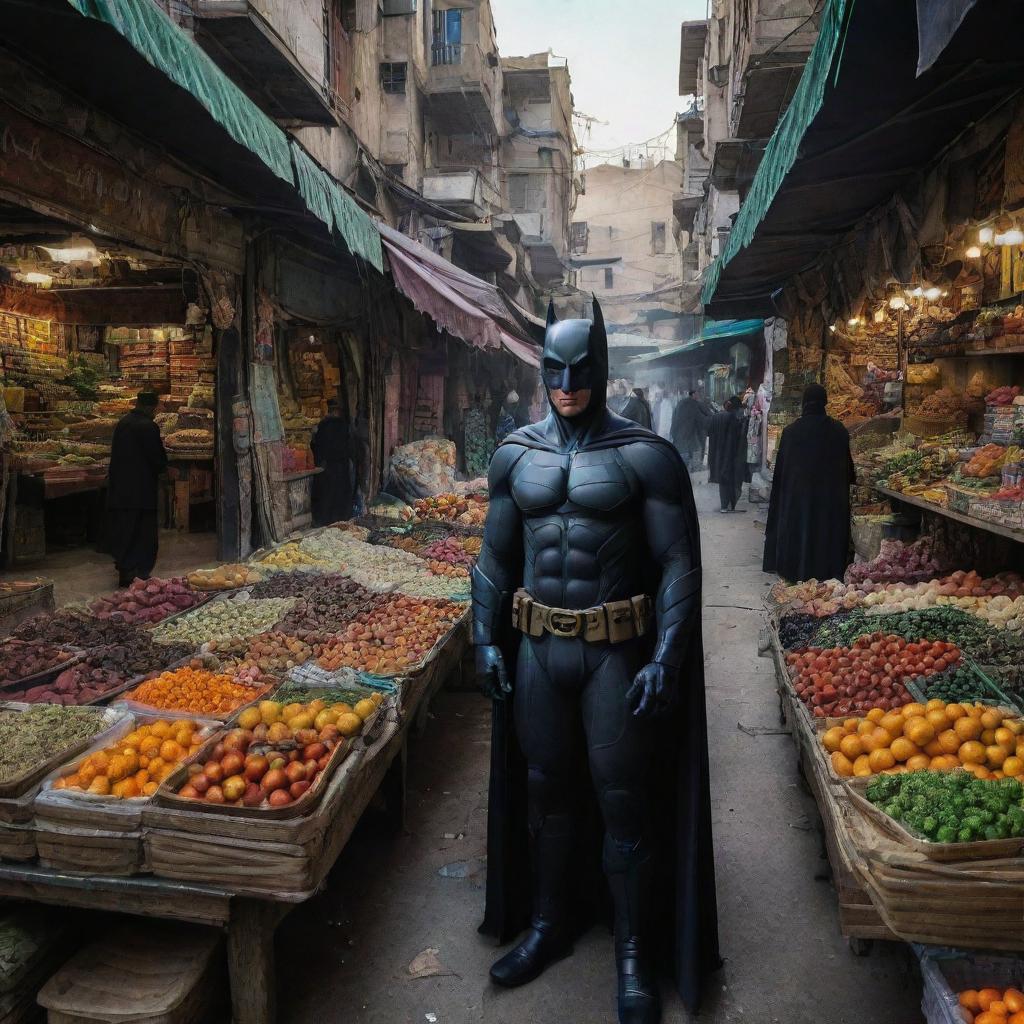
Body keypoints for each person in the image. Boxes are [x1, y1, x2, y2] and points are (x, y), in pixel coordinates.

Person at [473, 299, 719, 1024]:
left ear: (603, 368)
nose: (568, 382)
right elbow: (493, 557)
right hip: (540, 650)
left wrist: (668, 658)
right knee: (545, 793)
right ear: (542, 368)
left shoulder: (644, 454)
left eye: (581, 368)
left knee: (623, 800)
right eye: (555, 368)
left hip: (615, 652)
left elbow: (678, 562)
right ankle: (549, 925)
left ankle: (634, 954)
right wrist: (485, 638)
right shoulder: (515, 453)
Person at [763, 382, 855, 582]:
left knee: (800, 535)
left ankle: (798, 576)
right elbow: (849, 472)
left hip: (797, 502)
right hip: (830, 505)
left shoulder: (791, 433)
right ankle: (828, 579)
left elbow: (781, 474)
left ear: (804, 403)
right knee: (825, 538)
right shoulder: (839, 431)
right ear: (825, 402)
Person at [106, 391, 167, 586]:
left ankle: (125, 570)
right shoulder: (148, 427)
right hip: (141, 490)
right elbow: (157, 459)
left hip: (121, 488)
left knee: (125, 529)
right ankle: (139, 572)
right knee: (142, 532)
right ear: (151, 407)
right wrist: (165, 470)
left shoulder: (123, 422)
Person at [311, 399, 356, 526]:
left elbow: (317, 446)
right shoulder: (344, 426)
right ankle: (340, 520)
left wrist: (320, 461)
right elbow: (349, 447)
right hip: (341, 466)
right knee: (340, 495)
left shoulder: (322, 426)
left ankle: (325, 521)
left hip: (327, 467)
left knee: (326, 495)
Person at [707, 396, 746, 513]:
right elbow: (734, 440)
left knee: (722, 479)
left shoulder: (715, 417)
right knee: (731, 479)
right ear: (736, 408)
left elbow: (709, 433)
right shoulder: (734, 419)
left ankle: (724, 505)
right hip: (729, 455)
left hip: (716, 454)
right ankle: (729, 505)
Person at [670, 391, 710, 472]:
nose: (699, 396)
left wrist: (673, 433)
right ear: (693, 395)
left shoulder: (680, 404)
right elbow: (702, 420)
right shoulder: (695, 405)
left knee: (683, 461)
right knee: (693, 457)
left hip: (679, 438)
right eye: (698, 394)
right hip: (690, 438)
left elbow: (673, 419)